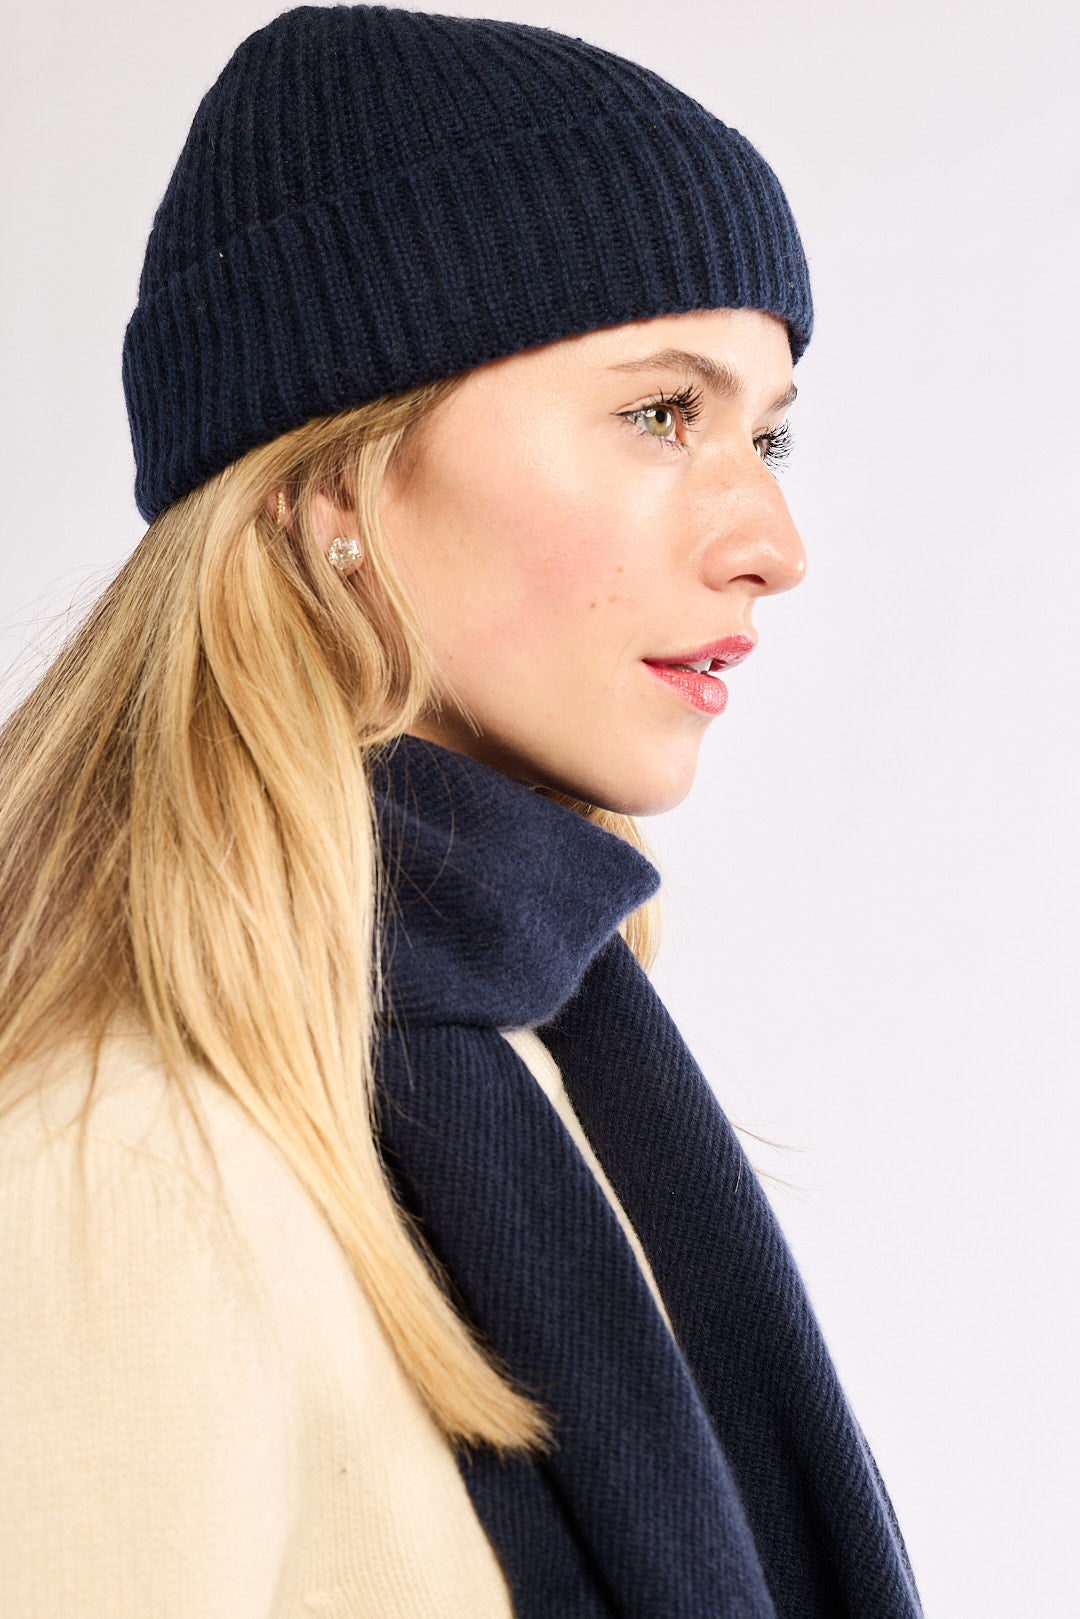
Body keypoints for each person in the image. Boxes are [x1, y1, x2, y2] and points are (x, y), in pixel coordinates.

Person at [0, 6, 923, 1616]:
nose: (772, 536)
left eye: (766, 431)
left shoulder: (546, 1058)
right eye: (661, 415)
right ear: (332, 491)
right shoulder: (120, 1163)